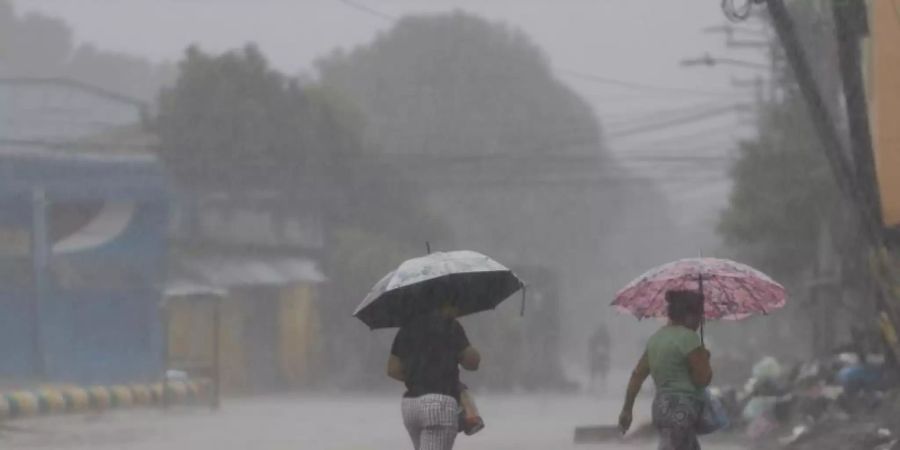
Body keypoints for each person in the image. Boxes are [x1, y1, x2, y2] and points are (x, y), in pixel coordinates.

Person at [618, 290, 713, 450]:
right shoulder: (689, 338)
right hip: (682, 410)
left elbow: (637, 376)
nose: (700, 321)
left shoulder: (656, 339)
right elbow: (702, 380)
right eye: (699, 315)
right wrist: (704, 359)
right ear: (688, 315)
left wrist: (627, 409)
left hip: (661, 408)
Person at [387, 301, 482, 450]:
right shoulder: (450, 326)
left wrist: (418, 375)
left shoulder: (407, 328)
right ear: (444, 304)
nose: (458, 308)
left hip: (411, 404)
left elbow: (392, 369)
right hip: (439, 403)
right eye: (454, 304)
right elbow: (472, 363)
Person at [588, 323, 611, 391]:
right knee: (600, 371)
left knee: (597, 370)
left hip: (599, 356)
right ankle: (599, 385)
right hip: (600, 356)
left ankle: (595, 385)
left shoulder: (597, 336)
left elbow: (591, 344)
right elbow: (609, 345)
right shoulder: (604, 336)